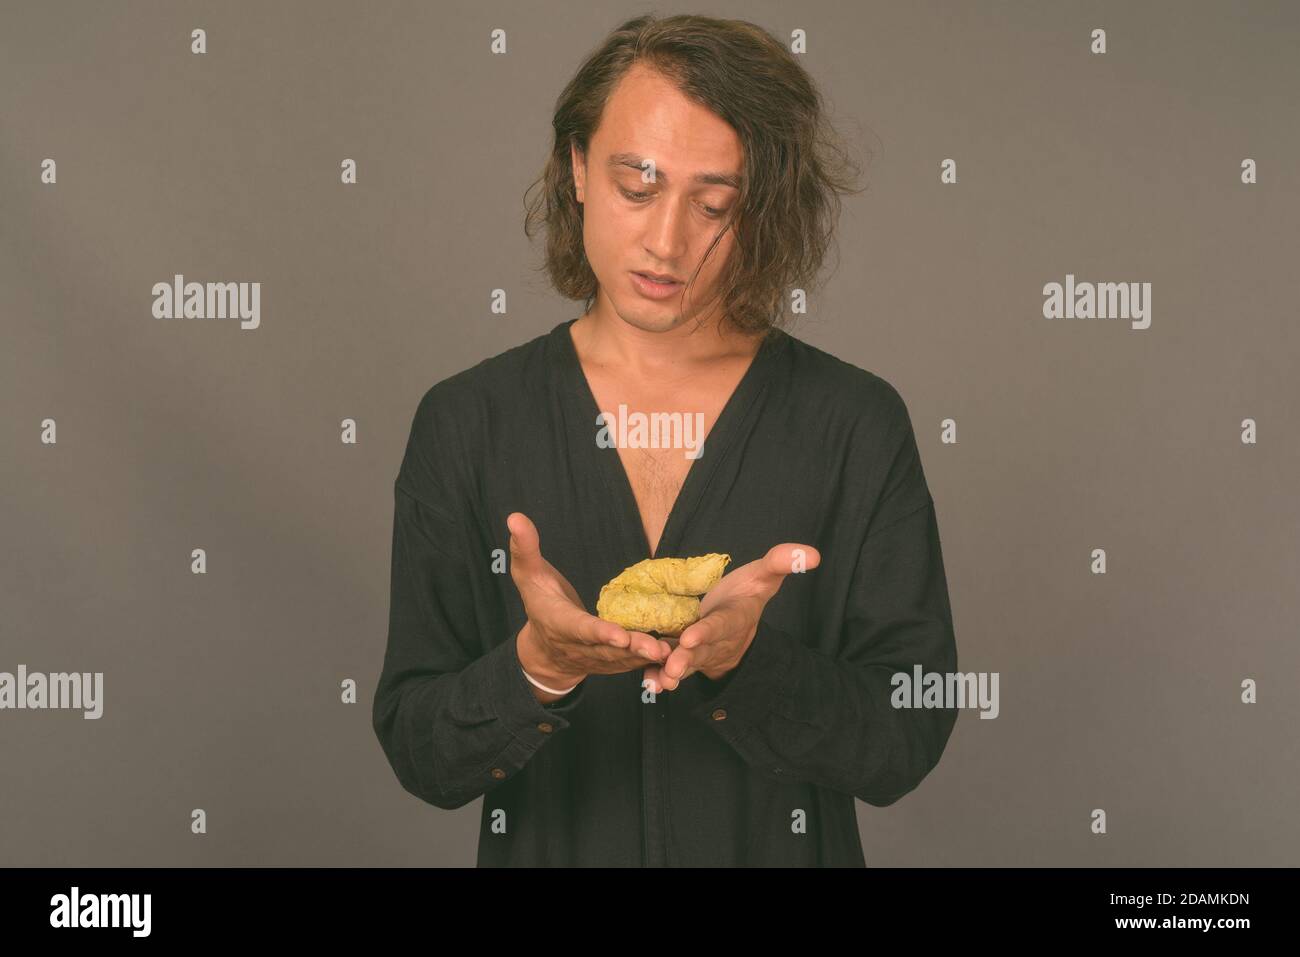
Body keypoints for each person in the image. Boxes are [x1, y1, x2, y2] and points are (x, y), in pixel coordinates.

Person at [372, 13, 959, 866]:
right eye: (637, 188)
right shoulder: (467, 422)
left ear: (762, 212)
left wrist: (750, 661)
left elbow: (907, 735)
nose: (667, 241)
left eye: (714, 206)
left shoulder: (854, 422)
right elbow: (420, 749)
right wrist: (539, 665)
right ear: (577, 168)